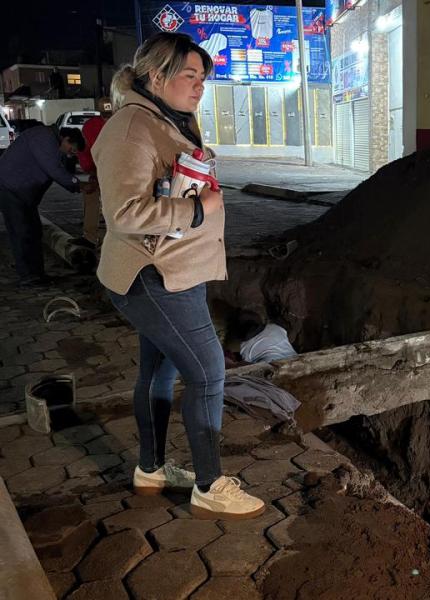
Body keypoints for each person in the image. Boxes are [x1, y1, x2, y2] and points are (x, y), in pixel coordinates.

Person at [93, 32, 265, 520]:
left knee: (160, 370)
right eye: (189, 75)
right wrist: (196, 210)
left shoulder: (163, 120)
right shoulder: (132, 127)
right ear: (155, 76)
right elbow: (124, 211)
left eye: (203, 78)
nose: (199, 87)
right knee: (208, 372)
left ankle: (151, 469)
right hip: (155, 276)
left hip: (170, 271)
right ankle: (210, 485)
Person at [0, 125, 85, 286]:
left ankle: (37, 273)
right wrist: (79, 185)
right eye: (71, 150)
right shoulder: (43, 138)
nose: (70, 154)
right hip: (11, 188)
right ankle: (27, 276)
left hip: (23, 193)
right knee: (22, 232)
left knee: (34, 231)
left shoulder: (51, 142)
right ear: (66, 139)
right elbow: (53, 170)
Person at [76, 111, 111, 245]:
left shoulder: (91, 125)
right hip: (105, 169)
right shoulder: (117, 122)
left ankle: (90, 236)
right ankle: (92, 236)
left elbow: (85, 150)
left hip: (102, 168)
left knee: (93, 199)